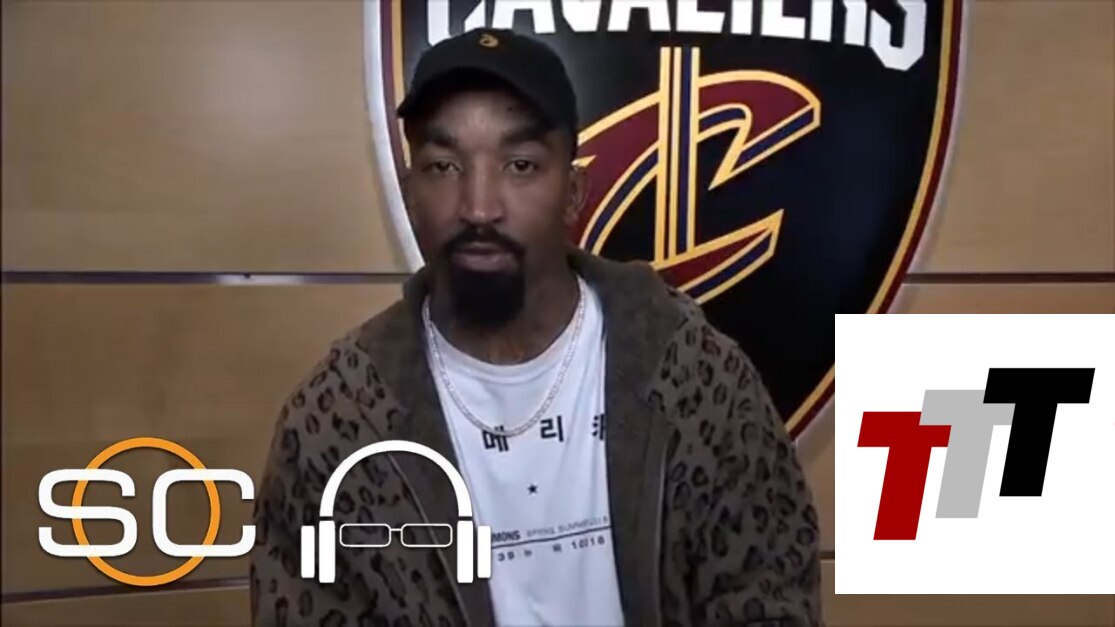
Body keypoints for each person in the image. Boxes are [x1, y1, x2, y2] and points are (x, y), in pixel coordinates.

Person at [250, 27, 822, 627]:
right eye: (444, 166)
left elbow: (768, 597)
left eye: (520, 165)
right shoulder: (342, 416)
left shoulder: (689, 373)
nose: (479, 206)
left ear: (573, 193)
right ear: (411, 193)